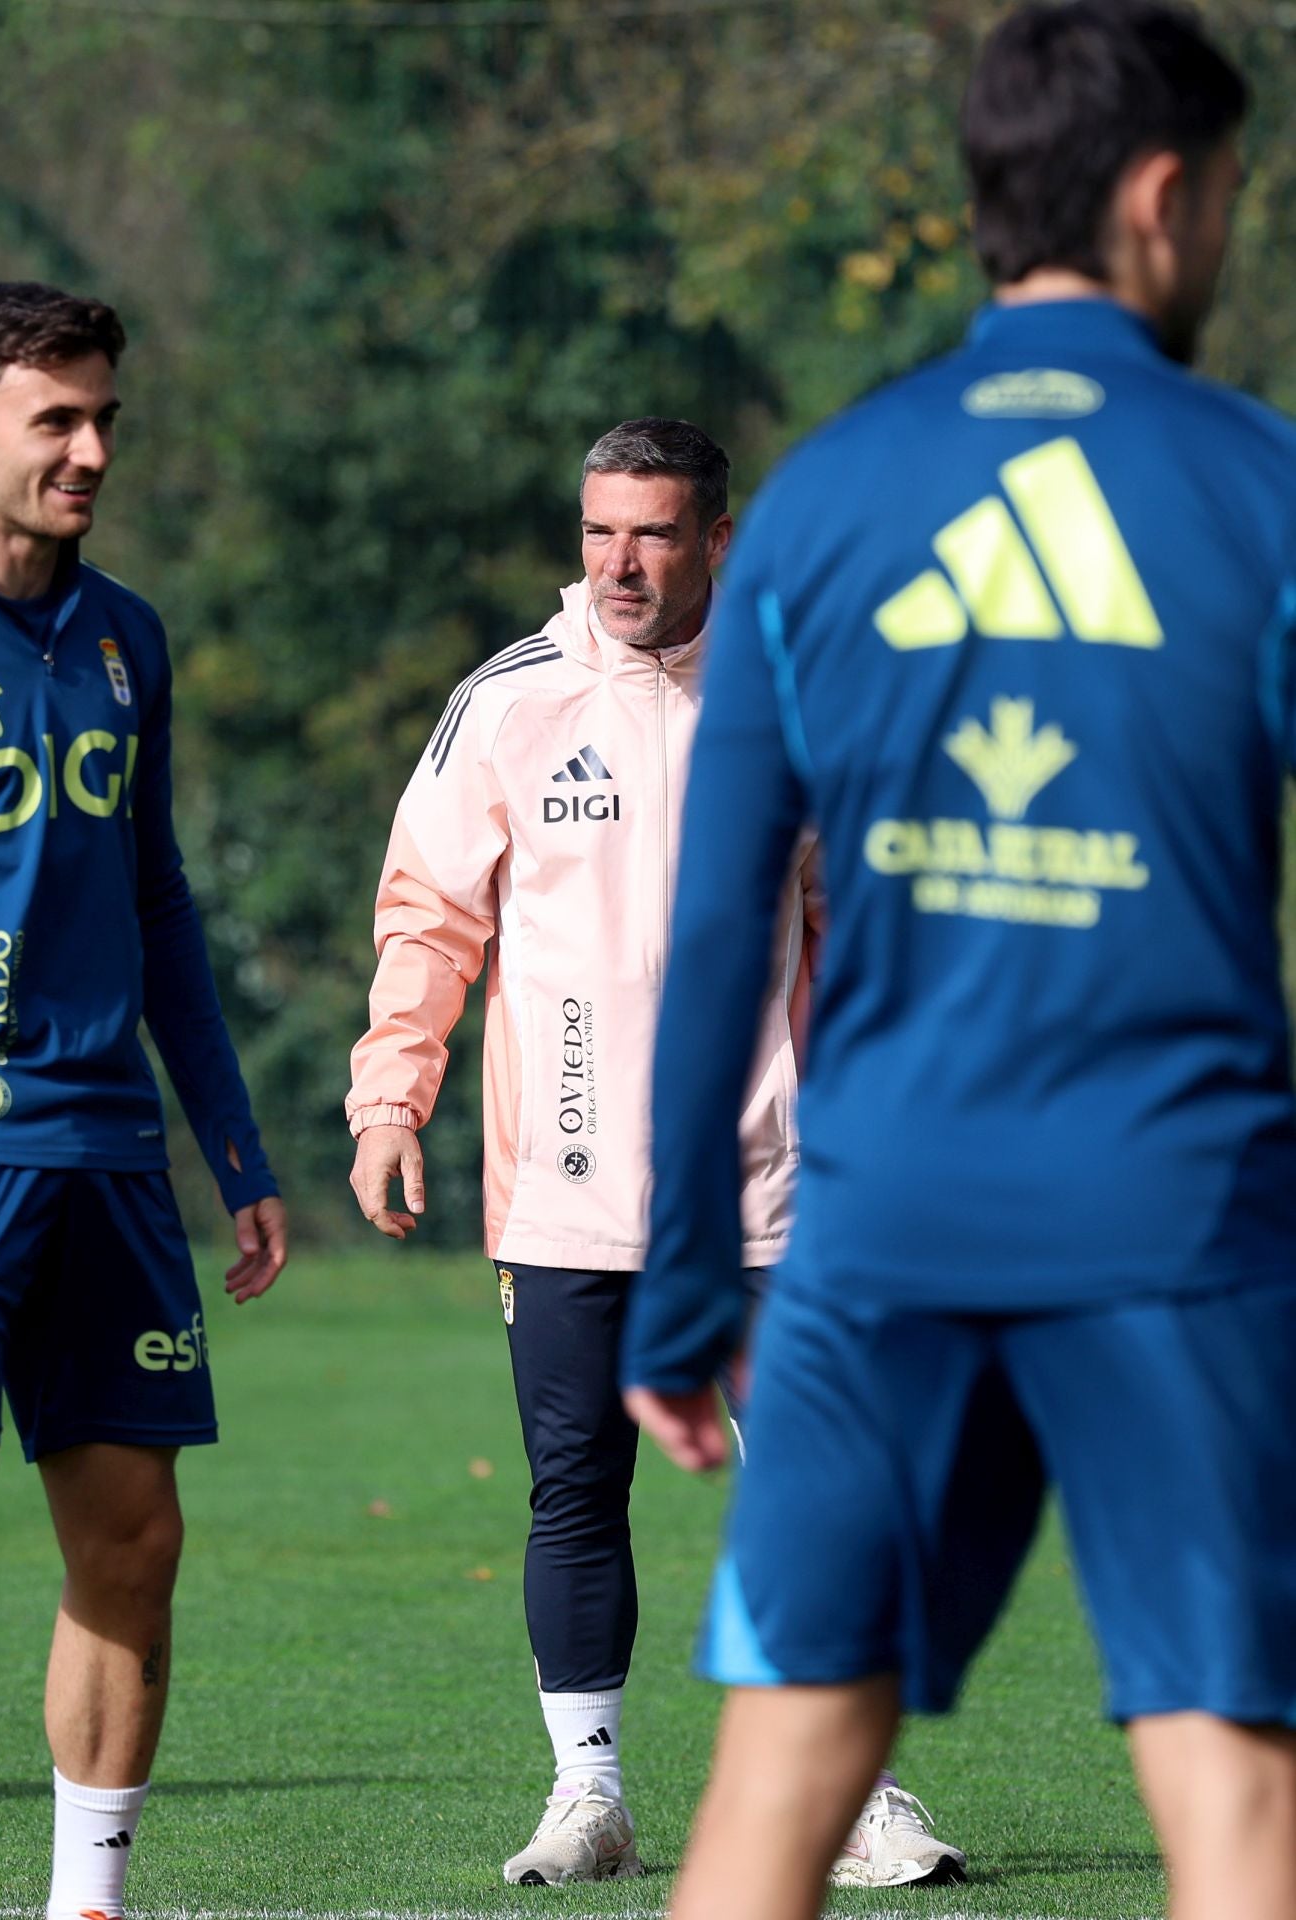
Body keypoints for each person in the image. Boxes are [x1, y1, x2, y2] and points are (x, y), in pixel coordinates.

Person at [621, 6, 1296, 1918]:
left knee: (770, 1801)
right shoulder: (1262, 492)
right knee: (1235, 1806)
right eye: (1230, 195)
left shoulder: (822, 500)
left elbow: (716, 928)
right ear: (1162, 195)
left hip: (882, 1230)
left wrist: (681, 1296)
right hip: (1184, 1225)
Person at [347, 417, 963, 1888]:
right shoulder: (506, 701)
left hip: (772, 1183)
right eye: (599, 529)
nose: (619, 561)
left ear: (717, 543)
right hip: (563, 1186)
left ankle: (856, 1793)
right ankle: (589, 1797)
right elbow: (429, 911)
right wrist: (389, 1096)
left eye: (653, 532)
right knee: (575, 1491)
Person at [0, 282, 287, 1920]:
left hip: (103, 1152)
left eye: (106, 419)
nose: (93, 450)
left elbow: (158, 900)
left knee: (133, 1539)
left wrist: (230, 1143)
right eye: (57, 420)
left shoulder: (125, 637)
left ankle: (84, 1903)